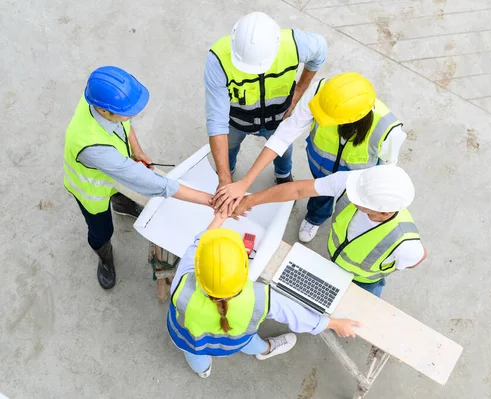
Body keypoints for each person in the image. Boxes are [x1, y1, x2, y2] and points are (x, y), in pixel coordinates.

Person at [64, 66, 214, 290]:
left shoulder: (99, 98)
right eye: (129, 111)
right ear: (104, 111)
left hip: (113, 171)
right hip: (91, 191)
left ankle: (121, 204)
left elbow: (123, 123)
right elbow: (152, 183)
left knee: (120, 192)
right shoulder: (93, 147)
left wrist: (137, 150)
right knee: (101, 230)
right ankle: (104, 256)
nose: (133, 115)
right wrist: (208, 199)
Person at [213, 72, 407, 240]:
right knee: (320, 192)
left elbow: (387, 171)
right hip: (319, 165)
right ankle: (316, 216)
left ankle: (332, 224)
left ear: (350, 120)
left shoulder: (389, 130)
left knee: (351, 211)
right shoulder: (323, 93)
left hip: (357, 180)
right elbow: (284, 135)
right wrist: (245, 182)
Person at [167, 213, 360, 378]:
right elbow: (295, 314)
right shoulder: (259, 297)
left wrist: (220, 217)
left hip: (190, 338)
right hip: (236, 339)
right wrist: (334, 324)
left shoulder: (182, 281)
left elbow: (198, 244)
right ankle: (266, 350)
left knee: (193, 353)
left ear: (197, 270)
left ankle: (203, 369)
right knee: (251, 342)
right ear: (245, 271)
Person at [231, 165, 427, 297]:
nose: (351, 195)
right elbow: (298, 190)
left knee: (356, 308)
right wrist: (249, 201)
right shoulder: (354, 183)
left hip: (363, 282)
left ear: (384, 212)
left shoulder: (406, 244)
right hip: (335, 260)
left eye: (359, 201)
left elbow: (415, 260)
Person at [205, 11, 327, 189]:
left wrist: (300, 89)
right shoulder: (218, 59)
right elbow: (217, 120)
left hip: (279, 118)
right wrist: (224, 181)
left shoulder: (295, 44)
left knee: (283, 150)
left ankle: (283, 174)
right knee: (228, 148)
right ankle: (226, 172)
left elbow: (320, 51)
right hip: (236, 121)